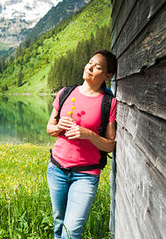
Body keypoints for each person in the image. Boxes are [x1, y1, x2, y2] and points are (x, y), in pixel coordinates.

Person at [46, 49, 117, 239]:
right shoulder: (66, 93)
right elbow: (50, 129)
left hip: (86, 175)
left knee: (72, 232)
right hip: (56, 169)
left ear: (108, 75)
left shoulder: (109, 102)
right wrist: (58, 126)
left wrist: (88, 135)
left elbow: (110, 145)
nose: (90, 67)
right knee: (58, 223)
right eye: (90, 62)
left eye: (98, 67)